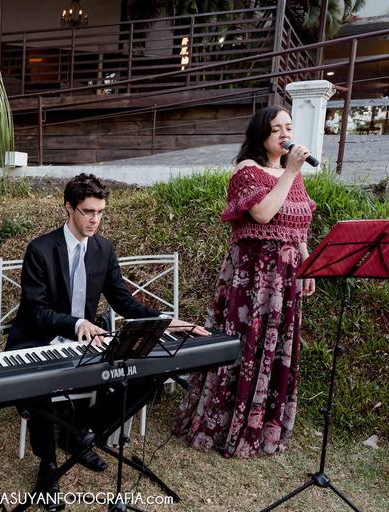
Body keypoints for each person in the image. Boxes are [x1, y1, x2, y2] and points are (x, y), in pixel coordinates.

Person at [7, 173, 208, 509]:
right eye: (88, 211)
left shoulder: (103, 249)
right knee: (40, 385)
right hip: (40, 338)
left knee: (143, 378)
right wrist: (77, 323)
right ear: (69, 207)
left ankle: (78, 434)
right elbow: (36, 311)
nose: (95, 220)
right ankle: (48, 465)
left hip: (85, 340)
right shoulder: (40, 250)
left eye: (100, 212)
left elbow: (123, 302)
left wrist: (167, 321)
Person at [172, 105, 317, 458]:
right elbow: (264, 213)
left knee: (276, 347)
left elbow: (298, 227)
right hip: (253, 277)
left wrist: (308, 265)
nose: (285, 134)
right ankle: (227, 423)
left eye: (289, 127)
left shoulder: (292, 175)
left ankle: (264, 425)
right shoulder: (247, 170)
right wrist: (290, 172)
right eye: (276, 129)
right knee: (245, 345)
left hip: (286, 278)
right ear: (260, 134)